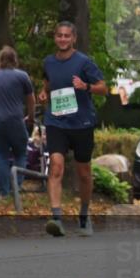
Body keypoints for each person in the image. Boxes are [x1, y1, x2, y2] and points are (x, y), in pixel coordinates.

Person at [38, 21, 108, 237]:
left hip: (81, 123)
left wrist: (86, 86)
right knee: (56, 166)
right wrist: (44, 92)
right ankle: (56, 219)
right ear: (55, 38)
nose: (63, 39)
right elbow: (48, 83)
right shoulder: (48, 62)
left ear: (74, 38)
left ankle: (84, 216)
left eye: (67, 36)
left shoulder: (84, 62)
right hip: (56, 122)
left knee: (84, 173)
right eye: (59, 35)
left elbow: (103, 88)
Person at [0, 46, 35, 200]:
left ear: (0, 60)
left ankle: (4, 194)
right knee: (21, 152)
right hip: (15, 120)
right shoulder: (22, 76)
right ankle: (16, 188)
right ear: (14, 60)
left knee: (1, 155)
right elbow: (31, 100)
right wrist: (31, 117)